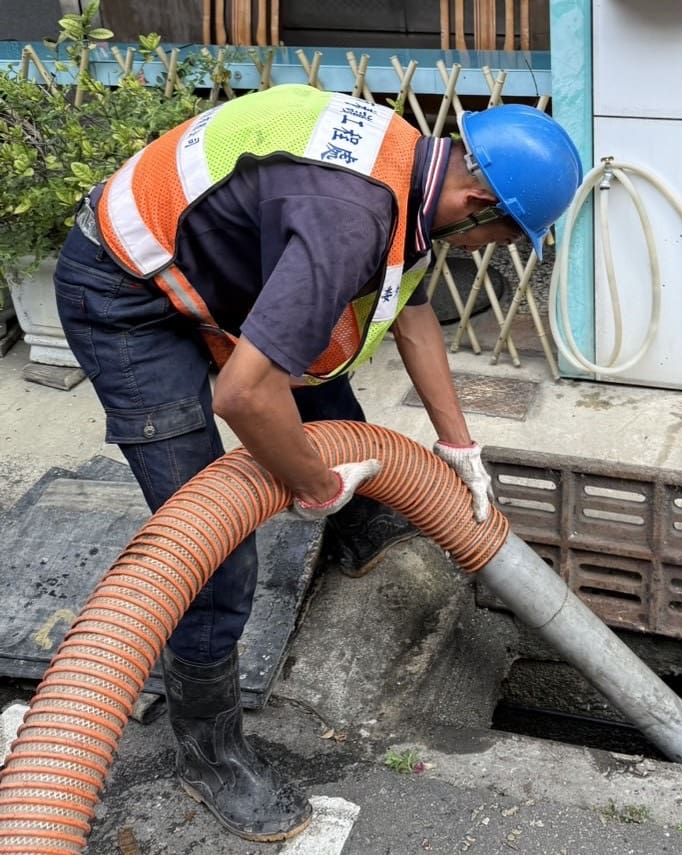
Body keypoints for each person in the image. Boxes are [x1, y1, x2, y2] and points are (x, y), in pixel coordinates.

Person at [54, 83, 582, 842]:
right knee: (210, 547)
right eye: (501, 238)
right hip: (125, 293)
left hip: (212, 258)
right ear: (476, 203)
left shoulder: (413, 168)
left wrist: (458, 444)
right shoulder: (351, 219)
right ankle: (210, 757)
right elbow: (244, 394)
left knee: (328, 382)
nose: (489, 252)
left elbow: (413, 312)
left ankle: (359, 530)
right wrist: (313, 483)